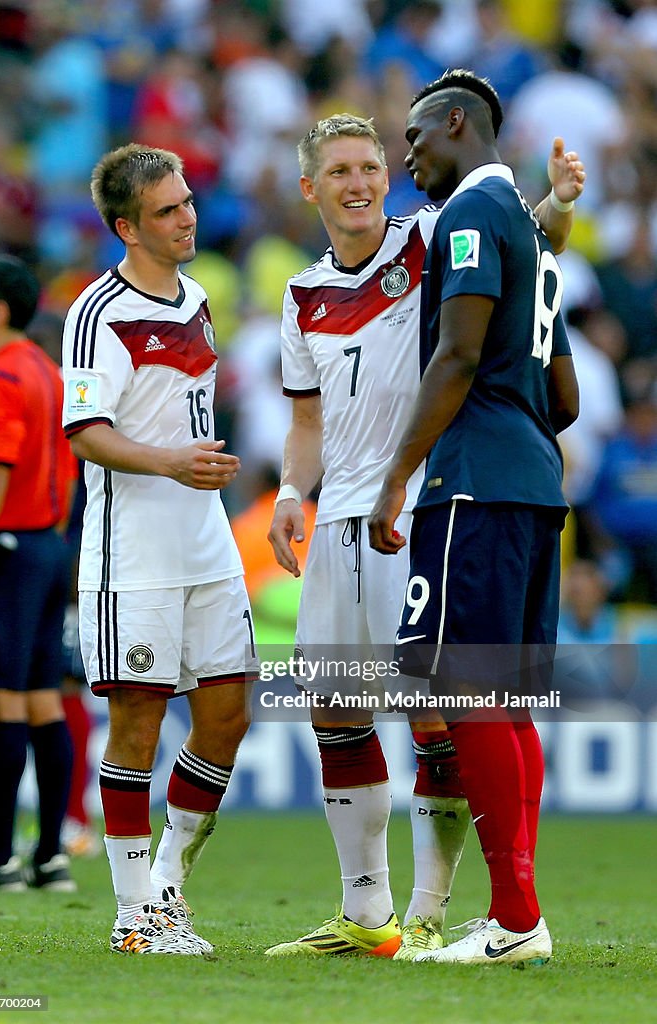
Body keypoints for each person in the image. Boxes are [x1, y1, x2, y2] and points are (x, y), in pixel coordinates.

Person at [267, 112, 583, 959]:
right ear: (312, 188)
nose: (363, 180)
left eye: (372, 164)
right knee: (335, 710)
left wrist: (556, 205)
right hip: (339, 519)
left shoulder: (429, 235)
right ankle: (367, 917)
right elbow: (306, 420)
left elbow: (517, 240)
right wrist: (294, 490)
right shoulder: (299, 296)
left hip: (421, 503)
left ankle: (438, 908)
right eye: (340, 170)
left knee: (442, 709)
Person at [369, 70, 580, 966]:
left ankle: (515, 921)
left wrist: (395, 478)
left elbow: (455, 355)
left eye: (414, 136)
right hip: (533, 479)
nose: (405, 154)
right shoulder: (532, 234)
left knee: (463, 692)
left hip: (473, 486)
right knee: (506, 703)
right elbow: (563, 395)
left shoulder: (468, 217)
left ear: (457, 123)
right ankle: (519, 911)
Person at [61, 144, 255, 955]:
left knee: (228, 714)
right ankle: (132, 915)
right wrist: (174, 461)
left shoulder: (201, 297)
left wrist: (199, 461)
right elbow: (85, 433)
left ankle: (168, 883)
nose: (187, 219)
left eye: (187, 202)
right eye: (168, 211)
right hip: (131, 547)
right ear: (126, 227)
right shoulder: (96, 312)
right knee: (137, 725)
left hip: (206, 542)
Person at [0, 255, 76, 893]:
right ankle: (49, 856)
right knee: (41, 700)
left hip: (4, 549)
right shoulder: (49, 374)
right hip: (48, 548)